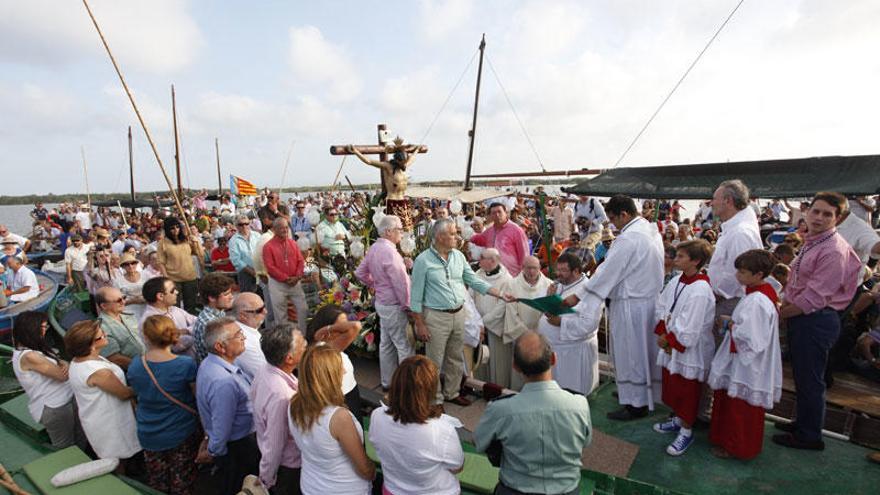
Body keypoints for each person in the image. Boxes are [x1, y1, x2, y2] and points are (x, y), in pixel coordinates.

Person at [774, 192, 861, 451]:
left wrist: (778, 313)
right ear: (808, 211)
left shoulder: (833, 250)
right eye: (816, 211)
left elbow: (813, 298)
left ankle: (809, 436)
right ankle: (802, 423)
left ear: (839, 218)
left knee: (811, 378)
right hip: (806, 318)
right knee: (803, 375)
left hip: (815, 319)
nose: (819, 218)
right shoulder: (815, 242)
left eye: (827, 214)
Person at [567, 195, 665, 420]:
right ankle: (638, 392)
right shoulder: (651, 231)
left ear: (625, 214)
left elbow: (607, 272)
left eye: (613, 219)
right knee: (642, 353)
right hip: (647, 301)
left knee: (630, 353)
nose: (612, 224)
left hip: (631, 304)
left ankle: (635, 403)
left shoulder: (628, 239)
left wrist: (578, 295)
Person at [410, 219, 514, 405]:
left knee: (456, 356)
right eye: (452, 233)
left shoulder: (458, 256)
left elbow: (474, 280)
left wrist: (499, 293)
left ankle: (452, 392)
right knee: (434, 361)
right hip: (435, 317)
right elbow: (416, 296)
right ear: (440, 237)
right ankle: (435, 400)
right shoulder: (422, 260)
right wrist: (420, 323)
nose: (457, 237)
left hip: (459, 314)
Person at [474, 331, 591, 495]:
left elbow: (480, 444)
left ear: (515, 366)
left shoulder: (500, 409)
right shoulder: (579, 404)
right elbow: (585, 442)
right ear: (553, 359)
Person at [708, 249, 782, 459]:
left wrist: (731, 324)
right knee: (736, 405)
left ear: (758, 275)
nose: (738, 276)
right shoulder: (759, 294)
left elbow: (752, 338)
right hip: (745, 360)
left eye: (742, 272)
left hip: (747, 364)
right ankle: (727, 440)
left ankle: (736, 446)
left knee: (740, 408)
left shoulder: (757, 301)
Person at [652, 240, 716, 456]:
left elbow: (691, 326)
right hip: (671, 342)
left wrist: (669, 339)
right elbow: (662, 304)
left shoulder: (700, 289)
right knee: (674, 386)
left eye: (680, 256)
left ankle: (686, 432)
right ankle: (678, 419)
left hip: (688, 350)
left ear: (696, 261)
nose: (675, 259)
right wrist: (663, 331)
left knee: (687, 390)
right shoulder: (678, 280)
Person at [369, 355, 464, 495]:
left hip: (392, 490)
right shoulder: (441, 430)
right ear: (430, 391)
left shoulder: (377, 416)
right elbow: (457, 467)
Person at [127, 315, 201, 494]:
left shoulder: (136, 364)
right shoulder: (185, 364)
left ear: (146, 337)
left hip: (149, 432)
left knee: (157, 481)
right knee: (182, 479)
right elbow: (196, 396)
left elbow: (135, 392)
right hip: (181, 430)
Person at [288, 344, 375, 495]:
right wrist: (373, 472)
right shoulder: (338, 417)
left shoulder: (294, 404)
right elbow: (365, 469)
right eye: (339, 367)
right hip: (343, 489)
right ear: (328, 376)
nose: (344, 370)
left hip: (311, 486)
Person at [196, 317, 260, 495]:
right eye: (238, 335)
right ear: (220, 346)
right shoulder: (222, 381)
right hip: (238, 449)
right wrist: (215, 451)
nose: (243, 338)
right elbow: (222, 424)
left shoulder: (216, 364)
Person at [65, 320, 142, 463]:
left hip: (100, 419)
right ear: (91, 345)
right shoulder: (98, 372)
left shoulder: (79, 361)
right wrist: (147, 384)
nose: (106, 335)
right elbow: (124, 393)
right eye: (102, 336)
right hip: (110, 424)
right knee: (116, 460)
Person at [12, 311, 86, 449]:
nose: (45, 331)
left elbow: (61, 363)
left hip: (65, 400)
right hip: (55, 406)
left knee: (80, 435)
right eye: (43, 327)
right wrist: (63, 365)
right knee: (65, 446)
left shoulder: (33, 350)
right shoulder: (30, 356)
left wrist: (64, 364)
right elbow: (61, 376)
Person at [354, 214, 412, 389]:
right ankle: (406, 386)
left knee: (386, 344)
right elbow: (401, 283)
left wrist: (376, 283)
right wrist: (408, 306)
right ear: (388, 231)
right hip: (394, 304)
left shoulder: (374, 248)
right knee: (403, 345)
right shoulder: (389, 251)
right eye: (399, 229)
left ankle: (388, 382)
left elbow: (360, 272)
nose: (401, 233)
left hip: (382, 302)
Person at [250, 324, 307, 494]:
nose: (307, 346)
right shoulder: (282, 395)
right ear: (289, 358)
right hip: (288, 467)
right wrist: (266, 478)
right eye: (303, 345)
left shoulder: (265, 369)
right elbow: (275, 444)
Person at [537, 252, 601, 396]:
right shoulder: (557, 284)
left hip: (573, 351)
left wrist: (561, 322)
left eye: (563, 270)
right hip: (553, 347)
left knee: (571, 391)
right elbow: (544, 308)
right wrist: (548, 298)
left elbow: (589, 324)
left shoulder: (589, 290)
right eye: (557, 269)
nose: (558, 274)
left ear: (577, 271)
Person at [306, 305, 364, 420]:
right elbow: (356, 326)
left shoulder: (328, 343)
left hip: (350, 393)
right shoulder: (325, 348)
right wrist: (326, 330)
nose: (345, 329)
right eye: (341, 326)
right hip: (341, 400)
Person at [503, 255, 553, 390]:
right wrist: (525, 333)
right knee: (521, 366)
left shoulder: (549, 284)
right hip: (520, 334)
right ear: (522, 268)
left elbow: (549, 310)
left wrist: (540, 333)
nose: (531, 271)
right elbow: (511, 311)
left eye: (535, 268)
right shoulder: (512, 284)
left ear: (540, 268)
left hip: (541, 334)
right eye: (528, 268)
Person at [473, 248, 514, 388]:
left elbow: (503, 305)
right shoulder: (477, 275)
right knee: (481, 359)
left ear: (493, 261)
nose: (479, 260)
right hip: (479, 327)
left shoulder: (507, 279)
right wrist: (476, 321)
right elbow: (469, 297)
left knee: (499, 362)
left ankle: (498, 389)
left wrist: (484, 322)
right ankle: (480, 387)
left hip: (495, 327)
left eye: (482, 257)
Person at [264, 218, 309, 331]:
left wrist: (298, 276)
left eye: (286, 227)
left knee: (303, 309)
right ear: (274, 230)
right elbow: (270, 267)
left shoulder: (293, 243)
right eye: (281, 228)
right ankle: (285, 341)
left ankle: (303, 336)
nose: (284, 230)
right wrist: (286, 278)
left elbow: (300, 260)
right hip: (278, 284)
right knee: (280, 314)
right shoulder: (268, 246)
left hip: (295, 282)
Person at [469, 202, 530, 276]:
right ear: (491, 216)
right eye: (494, 213)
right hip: (493, 275)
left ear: (505, 213)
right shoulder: (489, 231)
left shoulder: (516, 230)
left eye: (499, 212)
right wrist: (466, 235)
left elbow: (525, 255)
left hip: (512, 276)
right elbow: (479, 239)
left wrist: (524, 276)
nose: (497, 215)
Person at [140, 277, 196, 357]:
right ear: (160, 296)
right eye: (172, 290)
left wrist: (187, 331)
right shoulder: (149, 321)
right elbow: (176, 346)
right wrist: (194, 334)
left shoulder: (174, 309)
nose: (177, 292)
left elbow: (198, 322)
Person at [95, 287, 144, 371]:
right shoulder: (102, 328)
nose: (123, 302)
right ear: (104, 306)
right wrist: (144, 367)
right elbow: (115, 358)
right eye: (118, 300)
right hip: (135, 370)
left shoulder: (126, 316)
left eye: (123, 298)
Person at [192, 272, 236, 363]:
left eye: (231, 293)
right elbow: (222, 355)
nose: (231, 297)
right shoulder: (209, 323)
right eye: (226, 294)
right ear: (211, 298)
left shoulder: (219, 312)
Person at [233, 292, 269, 380]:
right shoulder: (244, 344)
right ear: (243, 316)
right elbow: (266, 376)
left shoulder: (246, 329)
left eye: (264, 307)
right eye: (259, 310)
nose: (266, 312)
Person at [229, 214, 262, 293]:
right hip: (245, 274)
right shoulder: (233, 241)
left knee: (264, 297)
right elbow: (236, 260)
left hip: (260, 270)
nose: (244, 226)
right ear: (236, 226)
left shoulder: (257, 235)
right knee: (248, 299)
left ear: (249, 224)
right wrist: (251, 271)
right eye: (241, 224)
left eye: (246, 224)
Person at [114, 252, 148, 321]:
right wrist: (133, 301)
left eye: (133, 263)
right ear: (122, 266)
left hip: (147, 307)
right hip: (128, 310)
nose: (130, 266)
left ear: (136, 263)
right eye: (126, 264)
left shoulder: (146, 275)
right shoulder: (117, 281)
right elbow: (116, 301)